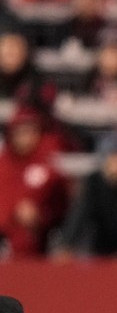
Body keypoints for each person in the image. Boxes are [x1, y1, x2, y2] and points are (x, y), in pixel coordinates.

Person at [55, 134, 117, 259]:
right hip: (98, 246)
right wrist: (66, 245)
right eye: (111, 161)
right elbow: (80, 214)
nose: (116, 167)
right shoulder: (92, 182)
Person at [0, 105, 69, 257]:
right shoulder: (3, 164)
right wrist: (14, 213)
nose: (28, 137)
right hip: (5, 235)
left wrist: (41, 216)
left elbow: (60, 204)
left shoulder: (47, 164)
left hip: (39, 237)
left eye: (33, 131)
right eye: (22, 132)